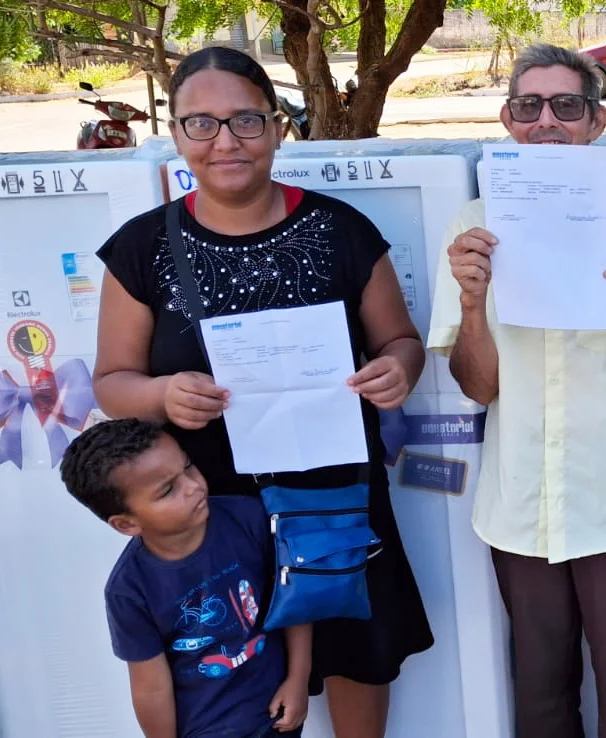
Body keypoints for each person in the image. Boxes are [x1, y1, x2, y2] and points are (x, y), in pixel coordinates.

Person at [91, 46, 433, 738]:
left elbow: (401, 342)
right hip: (212, 518)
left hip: (334, 498)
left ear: (277, 127)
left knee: (354, 657)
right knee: (239, 686)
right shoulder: (140, 248)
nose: (225, 141)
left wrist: (398, 369)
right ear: (177, 133)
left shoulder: (342, 231)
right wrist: (161, 396)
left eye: (246, 120)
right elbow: (111, 383)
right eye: (201, 124)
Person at [425, 43, 606, 738]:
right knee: (540, 692)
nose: (546, 120)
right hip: (520, 501)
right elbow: (478, 386)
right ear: (508, 120)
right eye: (529, 106)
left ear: (596, 121)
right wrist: (469, 305)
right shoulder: (472, 230)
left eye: (566, 106)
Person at [60, 419, 310, 738]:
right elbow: (151, 688)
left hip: (277, 714)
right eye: (168, 489)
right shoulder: (129, 591)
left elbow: (296, 600)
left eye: (188, 467)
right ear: (126, 524)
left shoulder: (249, 518)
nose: (193, 486)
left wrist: (298, 679)